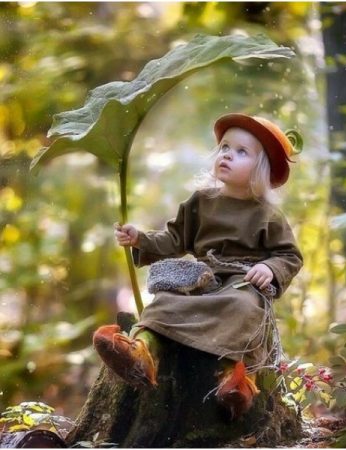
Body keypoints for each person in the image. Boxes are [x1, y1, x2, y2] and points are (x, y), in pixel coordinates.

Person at [93, 113, 303, 419]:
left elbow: (290, 255)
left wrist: (270, 268)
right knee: (165, 301)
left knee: (244, 309)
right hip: (201, 279)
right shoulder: (201, 201)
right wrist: (140, 239)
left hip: (242, 283)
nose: (228, 154)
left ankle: (236, 378)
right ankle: (140, 353)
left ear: (261, 168)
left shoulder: (268, 215)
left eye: (241, 151)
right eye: (225, 147)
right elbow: (174, 239)